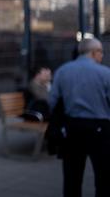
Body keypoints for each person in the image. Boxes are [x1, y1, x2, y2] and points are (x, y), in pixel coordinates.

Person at [48, 37, 110, 197]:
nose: (102, 56)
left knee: (72, 177)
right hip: (100, 130)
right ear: (95, 52)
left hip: (72, 128)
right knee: (103, 177)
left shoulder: (62, 71)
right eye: (101, 52)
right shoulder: (105, 73)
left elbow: (52, 101)